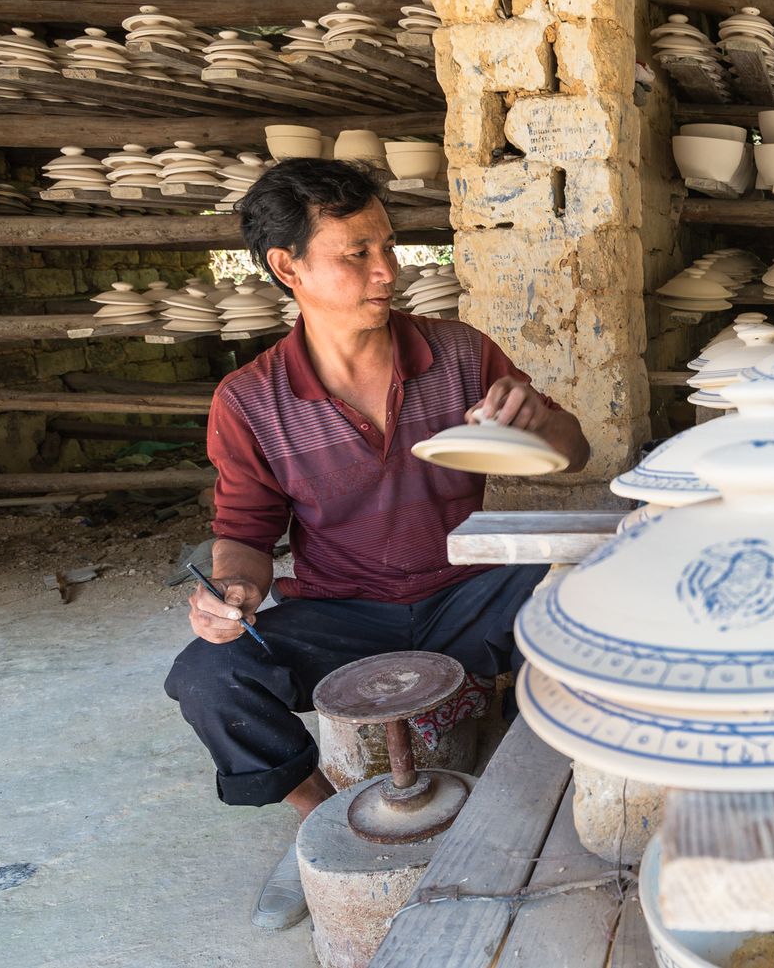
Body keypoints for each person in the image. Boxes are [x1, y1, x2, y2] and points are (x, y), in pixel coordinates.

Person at [164, 159, 589, 930]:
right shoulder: (250, 399)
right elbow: (246, 532)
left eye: (388, 246)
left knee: (580, 592)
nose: (386, 270)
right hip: (344, 611)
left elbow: (574, 450)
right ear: (286, 265)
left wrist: (538, 416)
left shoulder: (458, 352)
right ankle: (327, 826)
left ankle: (533, 804)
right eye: (355, 253)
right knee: (208, 674)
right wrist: (233, 593)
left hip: (467, 590)